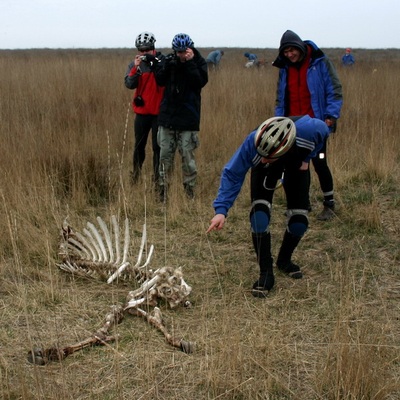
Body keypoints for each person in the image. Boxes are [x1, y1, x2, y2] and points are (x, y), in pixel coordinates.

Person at [206, 116, 330, 297]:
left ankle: (284, 261)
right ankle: (266, 272)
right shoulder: (253, 142)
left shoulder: (312, 131)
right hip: (266, 172)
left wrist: (309, 158)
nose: (262, 160)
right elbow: (233, 174)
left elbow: (323, 136)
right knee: (259, 218)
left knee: (299, 222)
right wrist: (221, 210)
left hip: (296, 165)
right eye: (260, 156)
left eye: (267, 157)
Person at [272, 30, 343, 221]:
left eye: (292, 50)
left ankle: (329, 204)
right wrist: (278, 121)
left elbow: (334, 89)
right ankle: (300, 204)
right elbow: (280, 98)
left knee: (319, 162)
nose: (289, 55)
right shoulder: (285, 68)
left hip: (316, 125)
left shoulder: (320, 63)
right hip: (292, 125)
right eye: (285, 52)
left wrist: (331, 116)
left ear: (300, 47)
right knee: (291, 166)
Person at [154, 33, 208, 201]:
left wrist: (190, 63)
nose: (181, 55)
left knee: (188, 158)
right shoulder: (171, 62)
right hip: (168, 118)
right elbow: (160, 80)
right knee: (165, 157)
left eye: (184, 51)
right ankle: (162, 191)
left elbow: (199, 82)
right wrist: (167, 66)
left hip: (188, 119)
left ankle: (189, 192)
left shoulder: (199, 63)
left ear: (190, 49)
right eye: (178, 52)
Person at [124, 31, 165, 186]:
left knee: (158, 148)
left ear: (153, 48)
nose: (143, 53)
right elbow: (129, 84)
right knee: (139, 146)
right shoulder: (134, 64)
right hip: (141, 113)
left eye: (147, 50)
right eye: (141, 50)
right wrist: (136, 68)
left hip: (159, 114)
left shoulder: (162, 61)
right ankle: (135, 176)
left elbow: (163, 80)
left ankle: (157, 180)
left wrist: (153, 62)